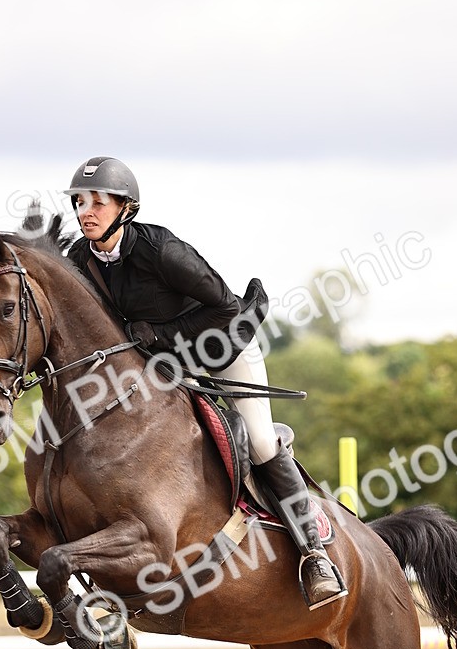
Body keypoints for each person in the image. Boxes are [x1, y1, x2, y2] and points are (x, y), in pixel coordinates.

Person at [64, 156, 347, 609]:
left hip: (223, 348)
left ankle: (314, 554)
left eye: (98, 202)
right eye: (80, 202)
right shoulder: (82, 258)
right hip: (165, 365)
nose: (86, 211)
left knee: (258, 442)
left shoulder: (162, 250)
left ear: (125, 208)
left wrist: (158, 336)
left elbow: (225, 308)